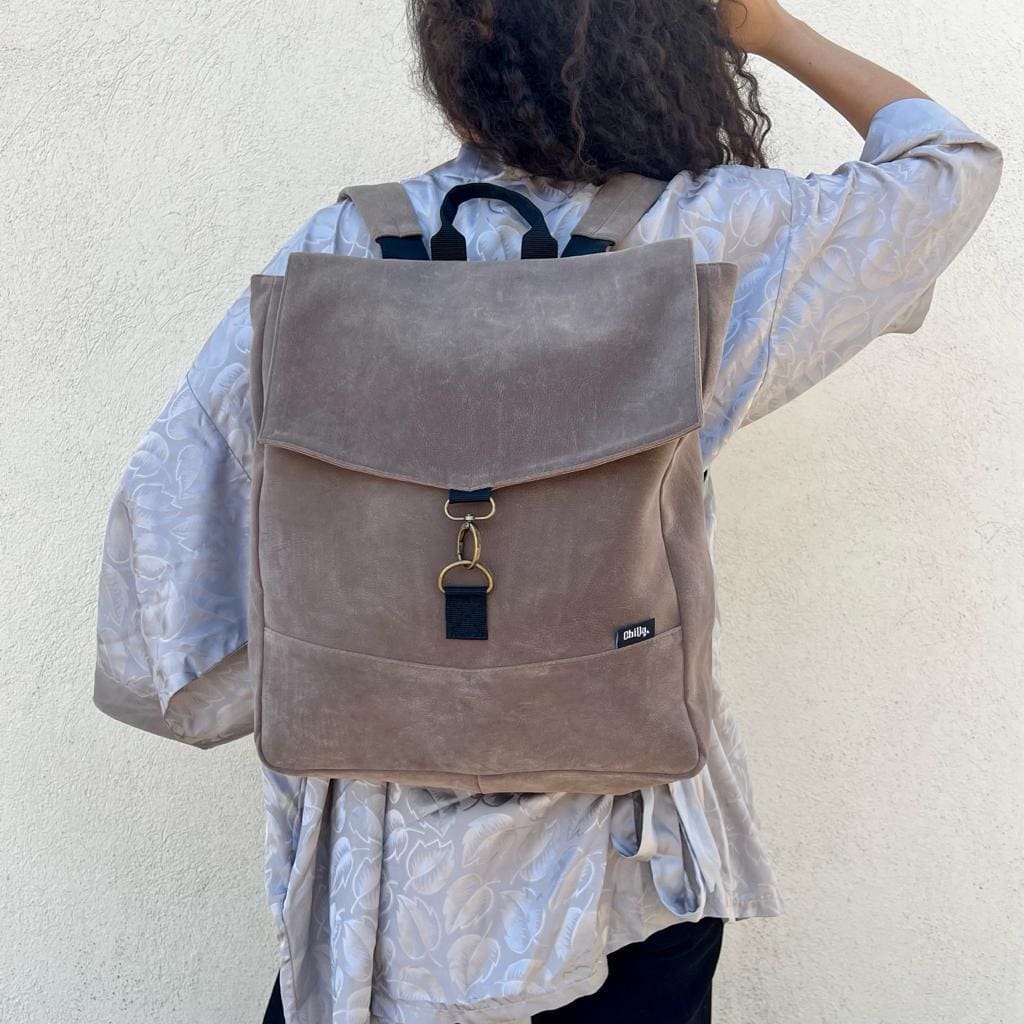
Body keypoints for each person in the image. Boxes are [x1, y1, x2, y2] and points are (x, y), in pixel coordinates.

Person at [91, 1, 1002, 1021]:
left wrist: (233, 677)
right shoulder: (702, 237)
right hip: (626, 838)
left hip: (392, 849)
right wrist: (768, 29)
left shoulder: (341, 245)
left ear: (458, 52)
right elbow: (946, 165)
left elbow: (173, 505)